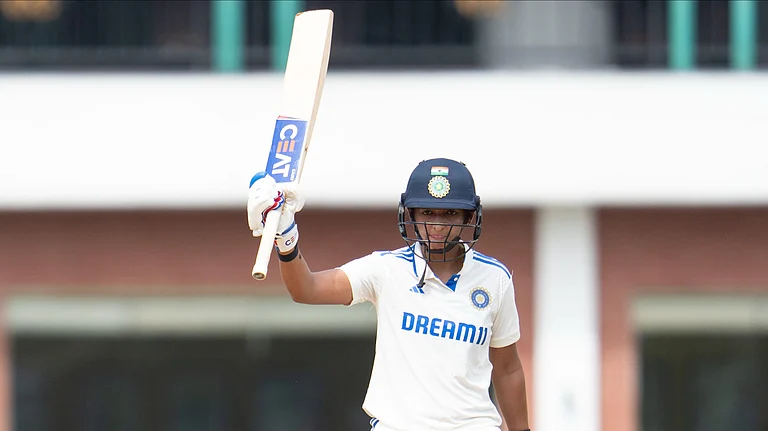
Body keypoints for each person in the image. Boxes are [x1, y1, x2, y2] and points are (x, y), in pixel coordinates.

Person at [247, 158, 530, 431]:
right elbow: (305, 289)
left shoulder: (495, 279)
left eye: (450, 213)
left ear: (470, 215)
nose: (438, 225)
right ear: (411, 214)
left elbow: (508, 369)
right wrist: (285, 235)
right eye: (427, 212)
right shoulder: (386, 269)